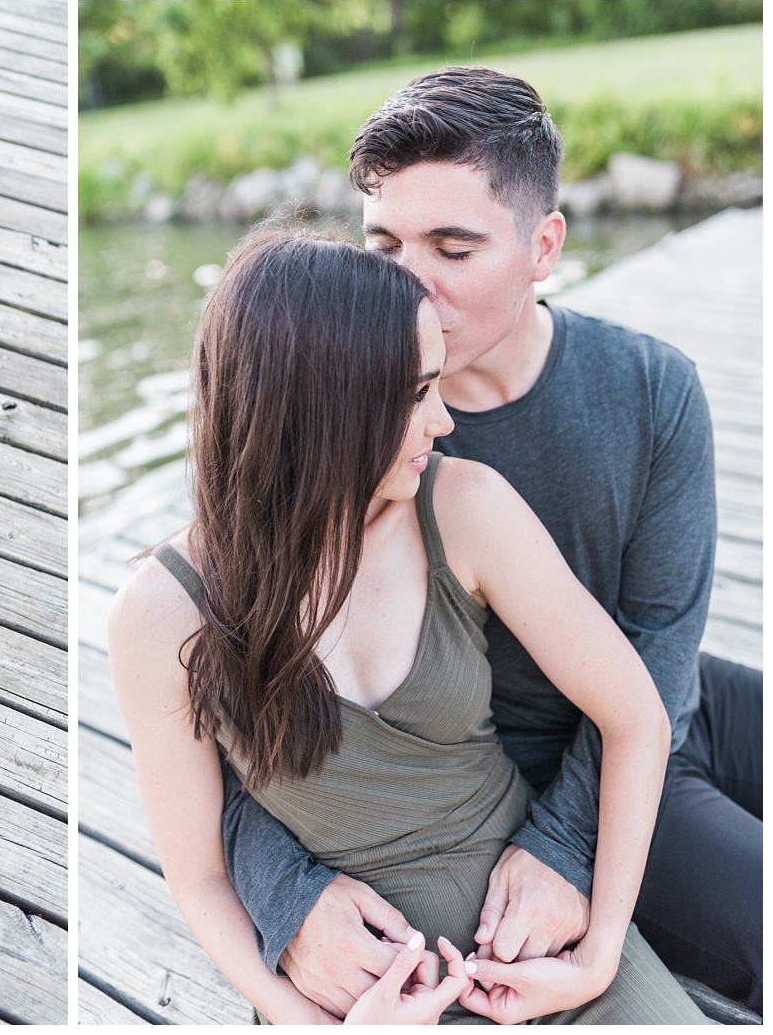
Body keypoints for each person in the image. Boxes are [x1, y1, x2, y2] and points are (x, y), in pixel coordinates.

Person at [222, 66, 762, 1019]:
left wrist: (567, 849)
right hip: (524, 771)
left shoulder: (652, 388)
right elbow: (221, 719)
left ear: (543, 244)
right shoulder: (347, 438)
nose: (407, 283)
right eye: (383, 241)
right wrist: (287, 901)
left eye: (454, 247)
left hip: (661, 703)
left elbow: (659, 654)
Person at [108, 230, 705, 1024]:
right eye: (417, 393)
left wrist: (598, 957)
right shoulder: (160, 612)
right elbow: (200, 876)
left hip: (538, 955)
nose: (445, 419)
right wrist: (312, 1023)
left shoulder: (465, 509)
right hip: (362, 998)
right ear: (325, 410)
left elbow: (636, 714)